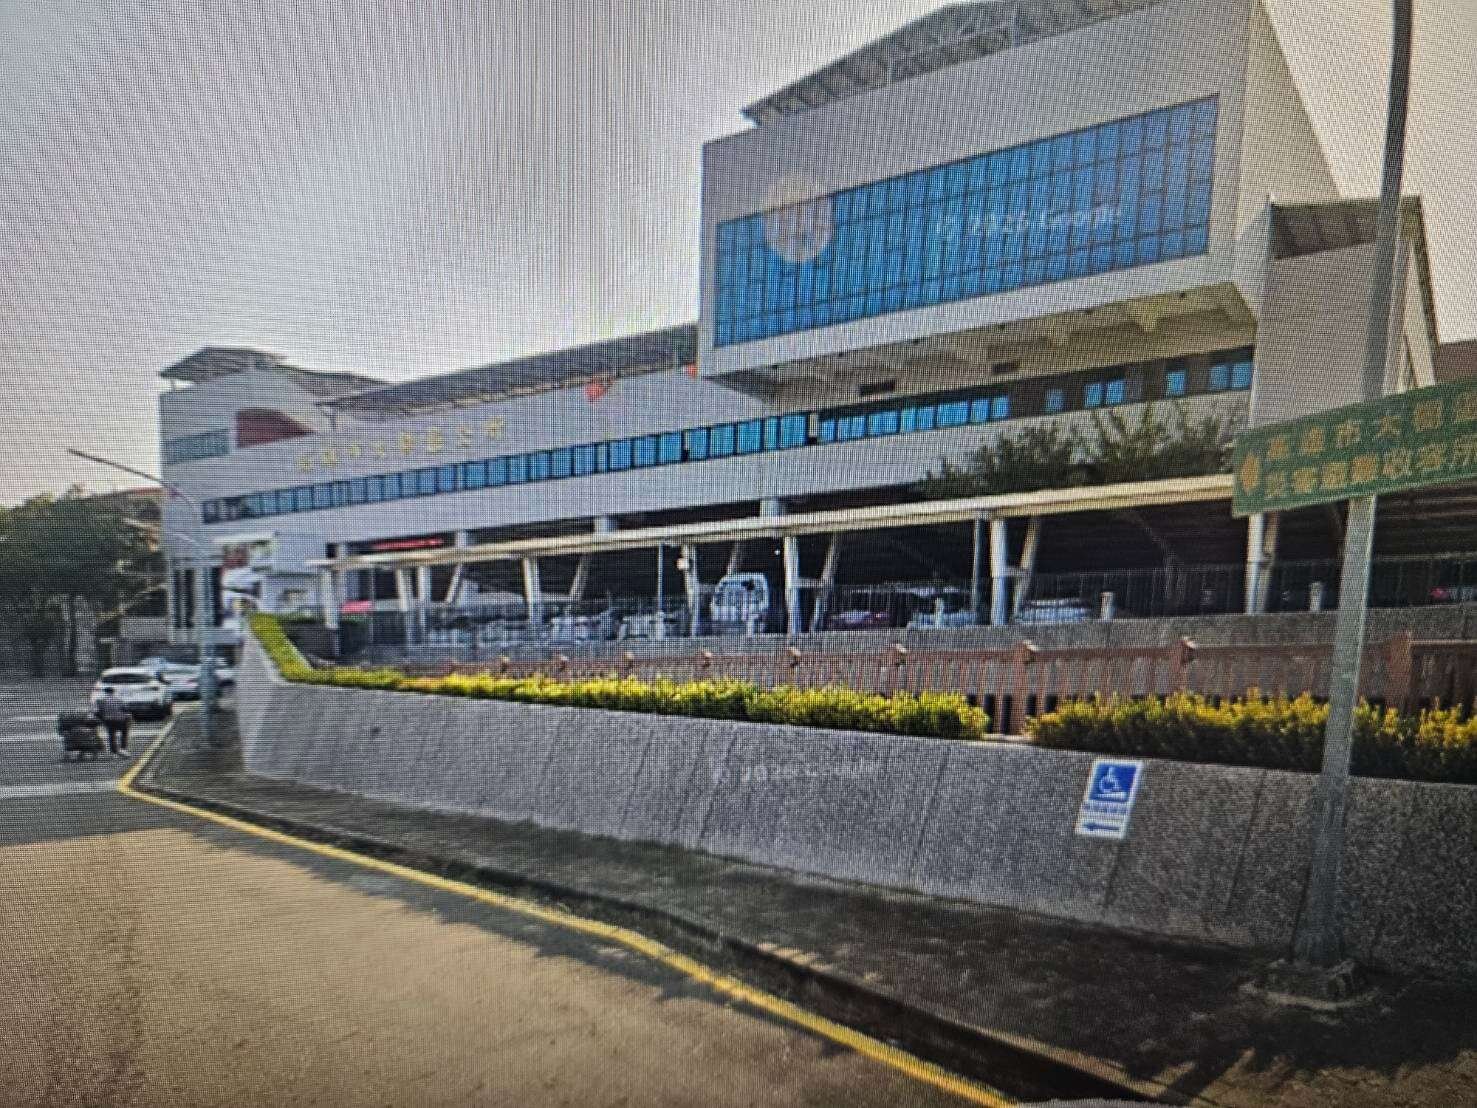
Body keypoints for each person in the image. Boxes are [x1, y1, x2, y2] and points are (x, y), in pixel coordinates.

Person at [96, 686, 131, 757]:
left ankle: (114, 751)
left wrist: (102, 719)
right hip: (120, 720)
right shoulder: (119, 699)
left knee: (111, 735)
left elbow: (99, 712)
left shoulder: (101, 701)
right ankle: (123, 748)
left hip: (109, 720)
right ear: (113, 692)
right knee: (124, 733)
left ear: (105, 692)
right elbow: (125, 709)